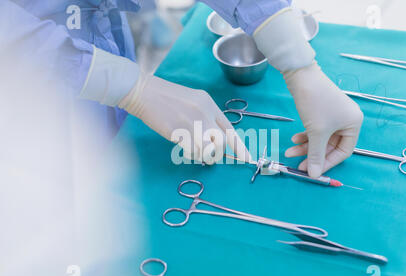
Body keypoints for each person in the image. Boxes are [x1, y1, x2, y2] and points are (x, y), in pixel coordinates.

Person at [1, 0, 363, 178]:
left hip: (99, 47)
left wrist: (298, 61)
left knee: (115, 181)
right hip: (22, 96)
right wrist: (129, 88)